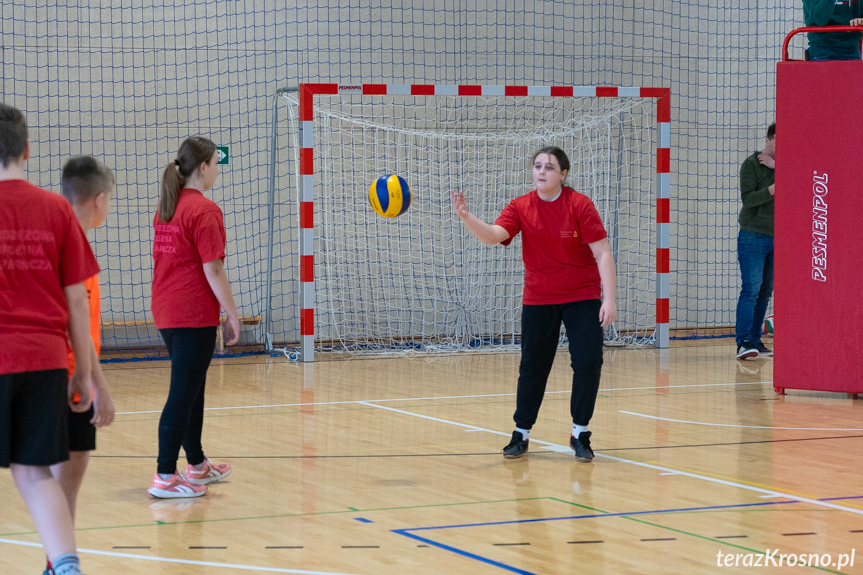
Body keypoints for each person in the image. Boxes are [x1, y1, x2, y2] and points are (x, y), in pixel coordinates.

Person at [451, 146, 618, 463]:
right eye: (538, 166)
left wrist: (609, 298)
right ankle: (521, 433)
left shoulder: (580, 205)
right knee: (533, 367)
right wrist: (466, 217)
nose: (541, 171)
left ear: (563, 174)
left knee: (588, 362)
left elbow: (602, 253)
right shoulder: (521, 206)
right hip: (539, 298)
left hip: (582, 295)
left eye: (549, 167)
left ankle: (580, 432)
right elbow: (494, 235)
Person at [0, 103, 102, 575]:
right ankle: (66, 565)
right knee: (34, 471)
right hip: (44, 361)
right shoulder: (56, 209)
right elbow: (77, 302)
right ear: (26, 148)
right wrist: (82, 370)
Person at [148, 136, 239, 498]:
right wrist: (232, 315)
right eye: (216, 164)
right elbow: (213, 269)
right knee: (183, 393)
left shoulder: (166, 209)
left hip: (167, 312)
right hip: (191, 314)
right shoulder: (204, 210)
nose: (217, 170)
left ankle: (197, 465)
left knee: (193, 388)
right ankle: (164, 475)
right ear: (202, 168)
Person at [42, 157, 117, 575]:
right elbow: (79, 326)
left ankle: (57, 561)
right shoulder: (71, 242)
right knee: (64, 480)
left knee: (59, 476)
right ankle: (60, 563)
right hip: (69, 375)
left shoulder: (56, 235)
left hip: (56, 372)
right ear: (99, 199)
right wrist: (96, 384)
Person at [735, 123, 775, 360]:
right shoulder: (751, 164)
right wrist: (774, 188)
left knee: (765, 291)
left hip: (777, 237)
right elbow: (748, 199)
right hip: (753, 235)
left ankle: (755, 340)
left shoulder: (787, 164)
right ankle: (743, 342)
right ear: (768, 140)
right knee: (750, 288)